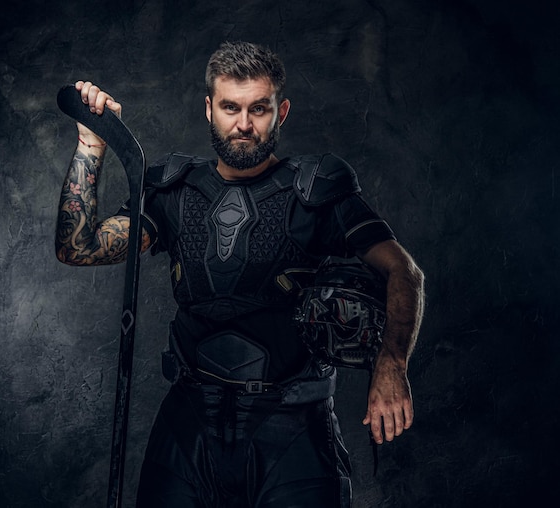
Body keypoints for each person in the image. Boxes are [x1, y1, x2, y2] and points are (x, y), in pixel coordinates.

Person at [56, 41, 424, 508]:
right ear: (210, 108)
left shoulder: (315, 190)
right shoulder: (175, 192)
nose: (244, 125)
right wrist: (92, 145)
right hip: (188, 426)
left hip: (292, 428)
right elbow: (78, 246)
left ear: (281, 111)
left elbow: (404, 272)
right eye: (230, 107)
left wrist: (392, 364)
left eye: (259, 109)